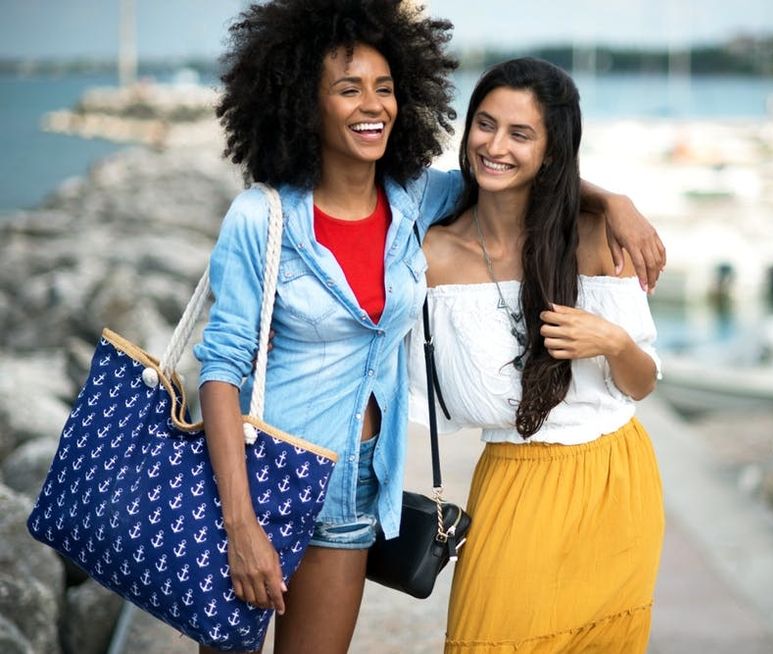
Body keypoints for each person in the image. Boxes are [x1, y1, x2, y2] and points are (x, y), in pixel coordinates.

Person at [195, 1, 665, 652]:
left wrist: (615, 200)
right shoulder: (262, 218)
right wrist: (239, 523)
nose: (373, 104)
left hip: (358, 482)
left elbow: (516, 175)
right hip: (263, 466)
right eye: (349, 87)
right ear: (306, 99)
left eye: (386, 88)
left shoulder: (415, 199)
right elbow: (219, 370)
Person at [410, 58, 665, 652]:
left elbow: (643, 382)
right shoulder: (434, 254)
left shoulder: (595, 236)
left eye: (520, 133)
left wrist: (614, 341)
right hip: (515, 482)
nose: (495, 145)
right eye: (485, 124)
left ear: (551, 152)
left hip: (616, 479)